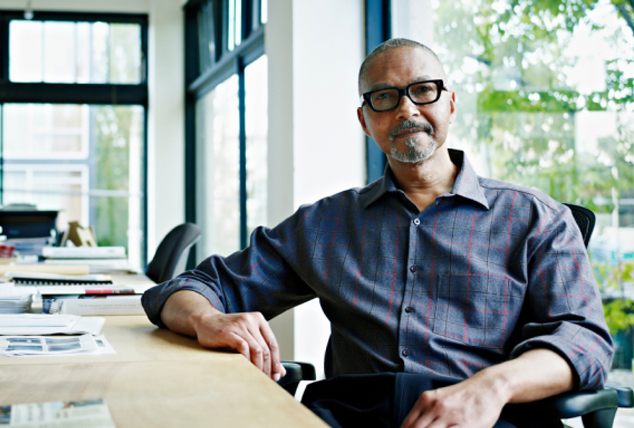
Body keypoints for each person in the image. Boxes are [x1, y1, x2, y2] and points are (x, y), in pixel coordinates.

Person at [142, 38, 613, 428]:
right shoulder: (325, 224)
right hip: (349, 415)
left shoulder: (535, 218)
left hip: (485, 416)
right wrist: (208, 319)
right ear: (366, 121)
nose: (407, 109)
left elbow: (584, 340)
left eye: (422, 90)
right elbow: (188, 289)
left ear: (449, 103)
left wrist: (492, 386)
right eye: (384, 97)